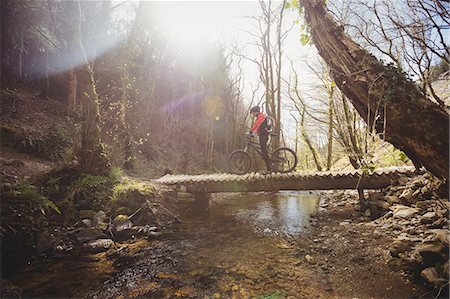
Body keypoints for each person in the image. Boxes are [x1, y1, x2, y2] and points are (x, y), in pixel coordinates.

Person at [248, 106, 272, 173]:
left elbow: (257, 124)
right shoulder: (260, 117)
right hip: (263, 134)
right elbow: (258, 128)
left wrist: (251, 131)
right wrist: (252, 134)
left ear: (256, 112)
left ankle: (269, 169)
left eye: (253, 113)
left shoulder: (261, 116)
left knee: (264, 151)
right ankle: (269, 167)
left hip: (264, 135)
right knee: (263, 151)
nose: (253, 115)